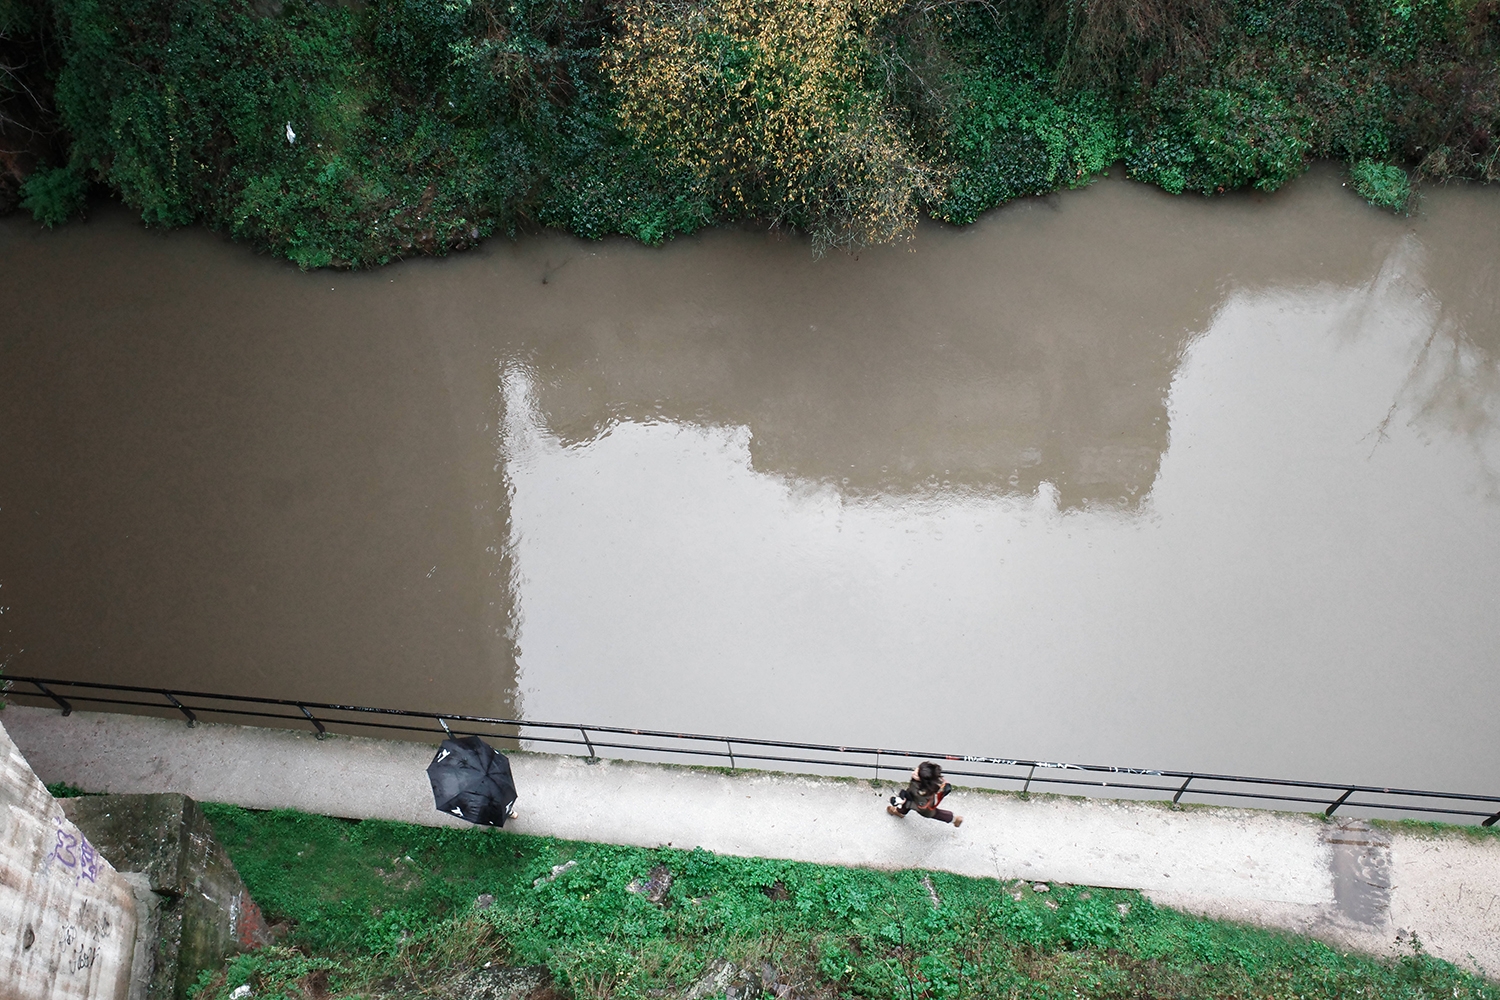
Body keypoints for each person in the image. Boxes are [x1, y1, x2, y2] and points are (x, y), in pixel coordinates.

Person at [887, 761, 963, 826]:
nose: (913, 773)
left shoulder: (922, 794)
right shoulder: (931, 779)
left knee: (937, 814)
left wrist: (905, 802)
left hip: (925, 808)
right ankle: (901, 812)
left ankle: (955, 820)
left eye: (916, 774)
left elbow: (920, 807)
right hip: (914, 794)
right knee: (906, 799)